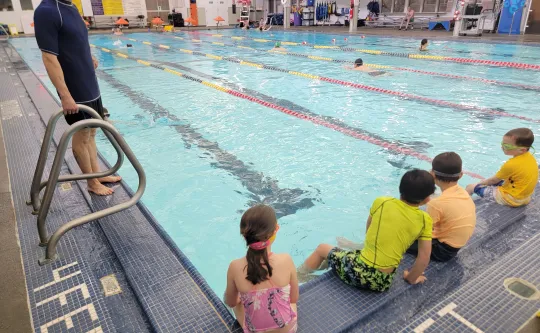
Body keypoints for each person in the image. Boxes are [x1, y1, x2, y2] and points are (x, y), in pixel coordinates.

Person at [34, 0, 121, 196]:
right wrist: (65, 95)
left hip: (89, 80)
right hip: (74, 86)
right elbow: (49, 58)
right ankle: (91, 183)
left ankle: (98, 174)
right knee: (81, 135)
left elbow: (77, 39)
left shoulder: (70, 6)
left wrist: (88, 56)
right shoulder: (47, 11)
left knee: (92, 131)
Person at [298, 169, 435, 292]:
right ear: (427, 198)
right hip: (382, 282)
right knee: (341, 254)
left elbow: (369, 228)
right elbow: (424, 257)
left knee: (322, 249)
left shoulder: (382, 202)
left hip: (358, 273)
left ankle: (299, 277)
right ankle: (323, 267)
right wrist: (411, 278)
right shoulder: (425, 220)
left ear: (400, 189)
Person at [224, 205, 298, 333]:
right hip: (287, 330)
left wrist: (242, 298)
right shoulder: (286, 260)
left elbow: (230, 302)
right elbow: (294, 298)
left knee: (236, 302)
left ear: (244, 236)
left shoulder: (234, 267)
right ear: (276, 230)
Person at [407, 153, 476, 262]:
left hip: (442, 251)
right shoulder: (463, 193)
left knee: (398, 236)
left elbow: (421, 231)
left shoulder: (436, 204)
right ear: (461, 175)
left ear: (432, 174)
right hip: (456, 245)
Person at [466, 128, 538, 207]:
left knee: (470, 187)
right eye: (502, 143)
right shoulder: (530, 158)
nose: (502, 147)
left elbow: (493, 180)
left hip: (511, 199)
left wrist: (479, 183)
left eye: (506, 146)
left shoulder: (511, 164)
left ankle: (465, 207)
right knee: (491, 182)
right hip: (525, 198)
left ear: (522, 150)